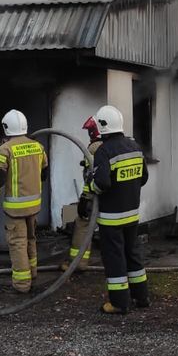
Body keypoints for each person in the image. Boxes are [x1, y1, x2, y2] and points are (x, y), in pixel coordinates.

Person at [88, 105, 149, 314]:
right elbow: (144, 178)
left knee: (114, 258)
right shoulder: (135, 146)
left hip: (111, 217)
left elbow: (102, 183)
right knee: (132, 253)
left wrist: (90, 186)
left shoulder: (105, 151)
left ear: (102, 126)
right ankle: (141, 297)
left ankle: (119, 302)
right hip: (132, 214)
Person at [0, 110, 49, 293]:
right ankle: (33, 272)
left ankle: (22, 284)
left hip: (15, 209)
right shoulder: (37, 146)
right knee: (31, 238)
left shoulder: (4, 149)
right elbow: (44, 172)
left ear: (6, 127)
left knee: (18, 243)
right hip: (34, 205)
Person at [61, 116, 101, 272]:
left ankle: (78, 263)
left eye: (91, 130)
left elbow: (89, 176)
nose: (89, 133)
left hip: (94, 196)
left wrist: (85, 198)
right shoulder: (112, 145)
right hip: (112, 197)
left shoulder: (93, 148)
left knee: (83, 225)